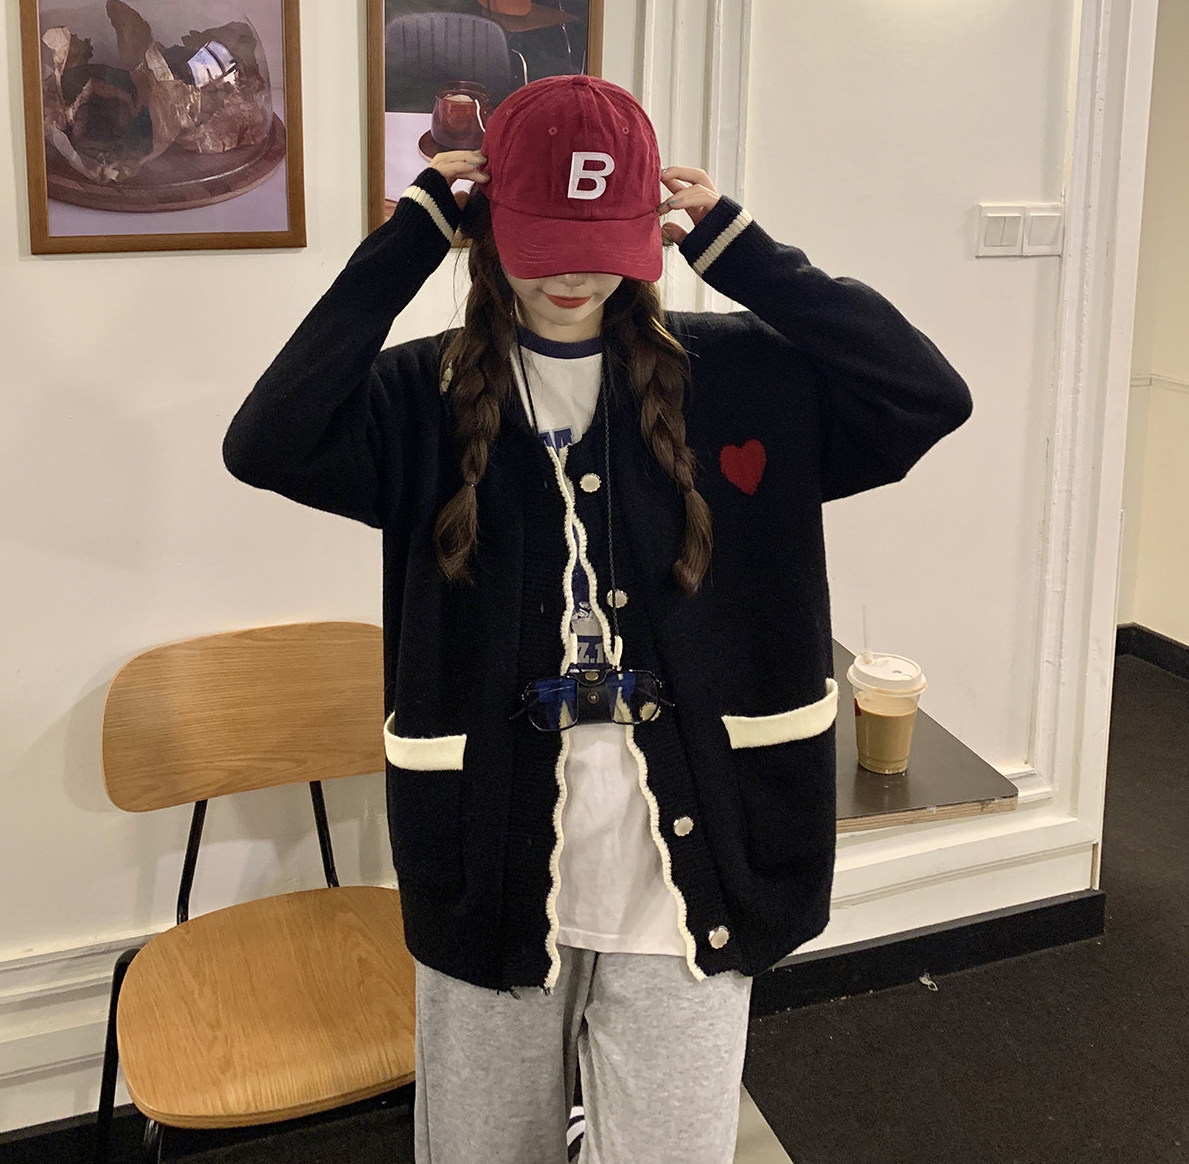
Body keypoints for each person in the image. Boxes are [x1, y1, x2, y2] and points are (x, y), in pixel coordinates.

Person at [223, 74, 972, 1164]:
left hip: (694, 869)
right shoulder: (421, 399)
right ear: (486, 229)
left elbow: (926, 394)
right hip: (490, 861)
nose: (573, 273)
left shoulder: (740, 379)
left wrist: (748, 253)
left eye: (601, 241)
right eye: (543, 240)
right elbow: (266, 440)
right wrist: (407, 239)